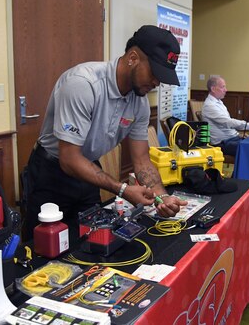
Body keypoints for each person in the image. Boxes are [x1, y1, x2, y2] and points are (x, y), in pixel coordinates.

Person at [23, 25, 187, 241]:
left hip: (88, 171)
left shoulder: (139, 103)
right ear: (133, 58)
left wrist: (162, 196)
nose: (157, 82)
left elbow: (142, 160)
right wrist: (123, 190)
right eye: (155, 73)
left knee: (90, 241)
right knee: (43, 248)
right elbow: (69, 159)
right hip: (51, 172)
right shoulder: (83, 83)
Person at [202, 76, 249, 156]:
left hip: (232, 139)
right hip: (222, 144)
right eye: (223, 87)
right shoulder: (209, 105)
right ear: (213, 89)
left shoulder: (219, 102)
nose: (226, 90)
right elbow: (228, 122)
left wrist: (238, 134)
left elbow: (227, 125)